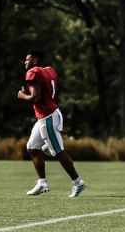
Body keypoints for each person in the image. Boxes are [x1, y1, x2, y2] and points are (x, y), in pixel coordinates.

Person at [18, 50, 86, 197]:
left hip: (47, 117)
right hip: (49, 114)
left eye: (27, 60)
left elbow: (36, 98)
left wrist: (22, 96)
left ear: (35, 61)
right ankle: (42, 183)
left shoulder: (33, 72)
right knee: (32, 147)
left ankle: (77, 181)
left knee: (58, 152)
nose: (25, 62)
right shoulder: (49, 70)